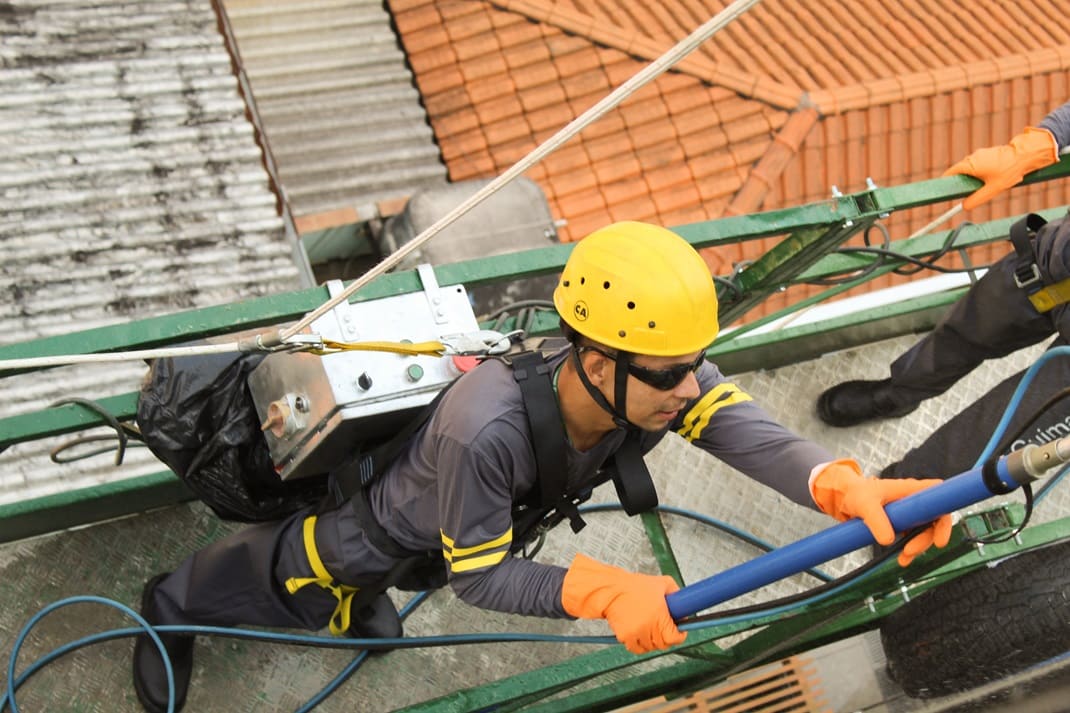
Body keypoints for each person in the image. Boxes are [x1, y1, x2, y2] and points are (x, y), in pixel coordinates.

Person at [131, 221, 952, 713]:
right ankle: (169, 606)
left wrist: (838, 483)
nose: (688, 384)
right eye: (669, 372)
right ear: (595, 360)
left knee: (382, 579)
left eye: (693, 364)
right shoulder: (484, 430)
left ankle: (355, 603)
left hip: (467, 514)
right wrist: (605, 590)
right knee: (300, 568)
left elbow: (738, 425)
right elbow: (480, 580)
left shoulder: (645, 382)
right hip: (389, 517)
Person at [818, 101, 1070, 429]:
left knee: (1021, 428)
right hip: (1053, 263)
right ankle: (898, 394)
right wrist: (1045, 140)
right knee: (969, 330)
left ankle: (917, 478)